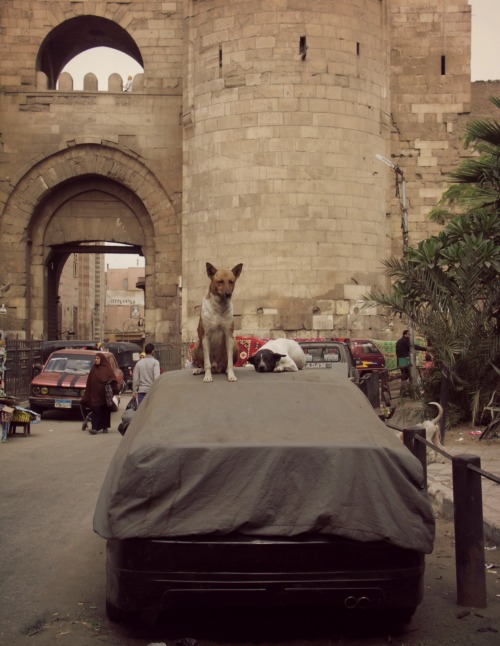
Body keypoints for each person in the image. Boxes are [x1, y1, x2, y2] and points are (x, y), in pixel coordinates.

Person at [81, 353, 119, 435]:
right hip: (95, 394)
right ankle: (94, 428)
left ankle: (105, 427)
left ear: (102, 359)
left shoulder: (107, 369)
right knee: (95, 410)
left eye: (98, 358)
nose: (96, 360)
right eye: (95, 358)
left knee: (104, 410)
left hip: (105, 395)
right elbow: (89, 382)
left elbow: (113, 381)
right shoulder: (93, 369)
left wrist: (116, 392)